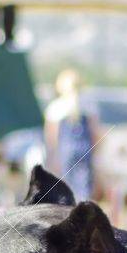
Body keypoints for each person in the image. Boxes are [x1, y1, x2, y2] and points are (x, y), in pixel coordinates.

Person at [43, 69, 96, 202]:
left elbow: (51, 137)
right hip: (85, 151)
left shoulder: (55, 107)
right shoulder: (88, 106)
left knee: (65, 188)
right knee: (83, 188)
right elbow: (95, 132)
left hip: (65, 152)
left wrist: (52, 158)